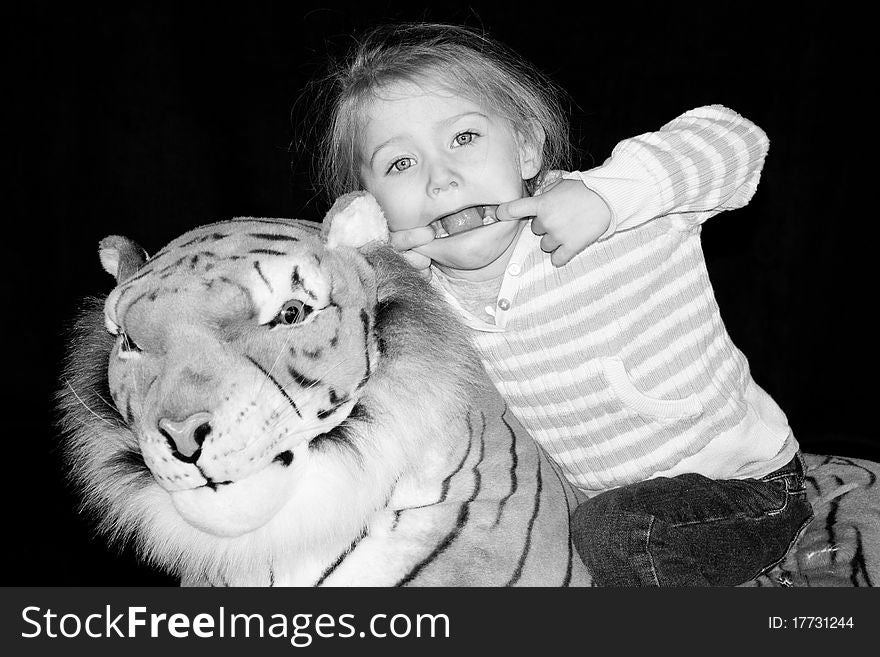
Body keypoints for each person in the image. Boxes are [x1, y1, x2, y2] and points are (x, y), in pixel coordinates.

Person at [312, 22, 813, 586]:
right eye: (400, 165)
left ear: (525, 148)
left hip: (746, 487)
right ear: (376, 208)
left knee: (611, 536)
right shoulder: (431, 305)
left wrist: (612, 194)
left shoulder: (609, 214)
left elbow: (735, 140)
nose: (442, 179)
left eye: (464, 138)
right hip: (600, 502)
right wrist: (386, 281)